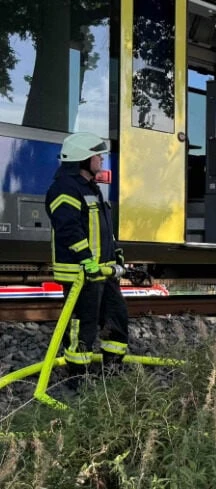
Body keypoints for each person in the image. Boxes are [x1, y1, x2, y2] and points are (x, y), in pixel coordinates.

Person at [45, 131, 129, 384]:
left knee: (117, 320)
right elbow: (68, 229)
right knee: (83, 326)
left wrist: (116, 256)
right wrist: (86, 260)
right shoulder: (64, 189)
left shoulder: (90, 188)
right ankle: (76, 380)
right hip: (81, 273)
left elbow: (101, 229)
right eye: (97, 155)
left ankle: (111, 373)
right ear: (83, 159)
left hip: (102, 271)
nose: (102, 159)